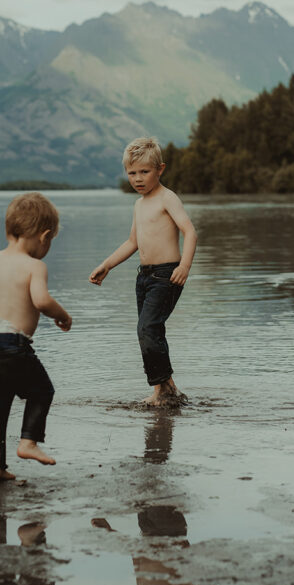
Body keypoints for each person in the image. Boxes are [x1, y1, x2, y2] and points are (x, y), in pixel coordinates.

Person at [0, 192, 72, 483]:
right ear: (44, 237)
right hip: (12, 345)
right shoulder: (35, 266)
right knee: (42, 391)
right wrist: (63, 315)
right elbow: (41, 301)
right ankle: (28, 441)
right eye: (50, 241)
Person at [89, 136, 197, 405]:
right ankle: (168, 387)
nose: (137, 179)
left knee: (147, 328)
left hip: (167, 274)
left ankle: (161, 391)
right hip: (144, 277)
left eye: (144, 172)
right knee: (151, 331)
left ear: (160, 169)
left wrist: (184, 265)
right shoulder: (138, 204)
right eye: (132, 173)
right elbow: (132, 242)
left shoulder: (167, 198)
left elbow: (190, 231)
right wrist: (107, 265)